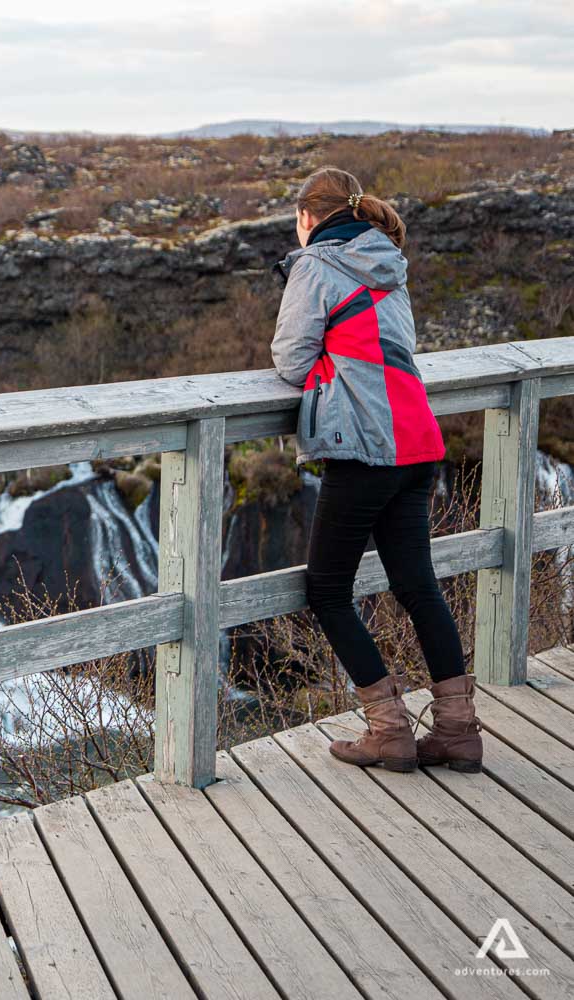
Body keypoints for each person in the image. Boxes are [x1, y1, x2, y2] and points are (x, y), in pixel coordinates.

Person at [270, 166, 482, 773]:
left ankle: (388, 732)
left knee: (327, 591)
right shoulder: (389, 262)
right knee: (418, 586)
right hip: (417, 439)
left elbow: (290, 360)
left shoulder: (314, 265)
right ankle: (459, 733)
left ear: (308, 219)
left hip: (364, 446)